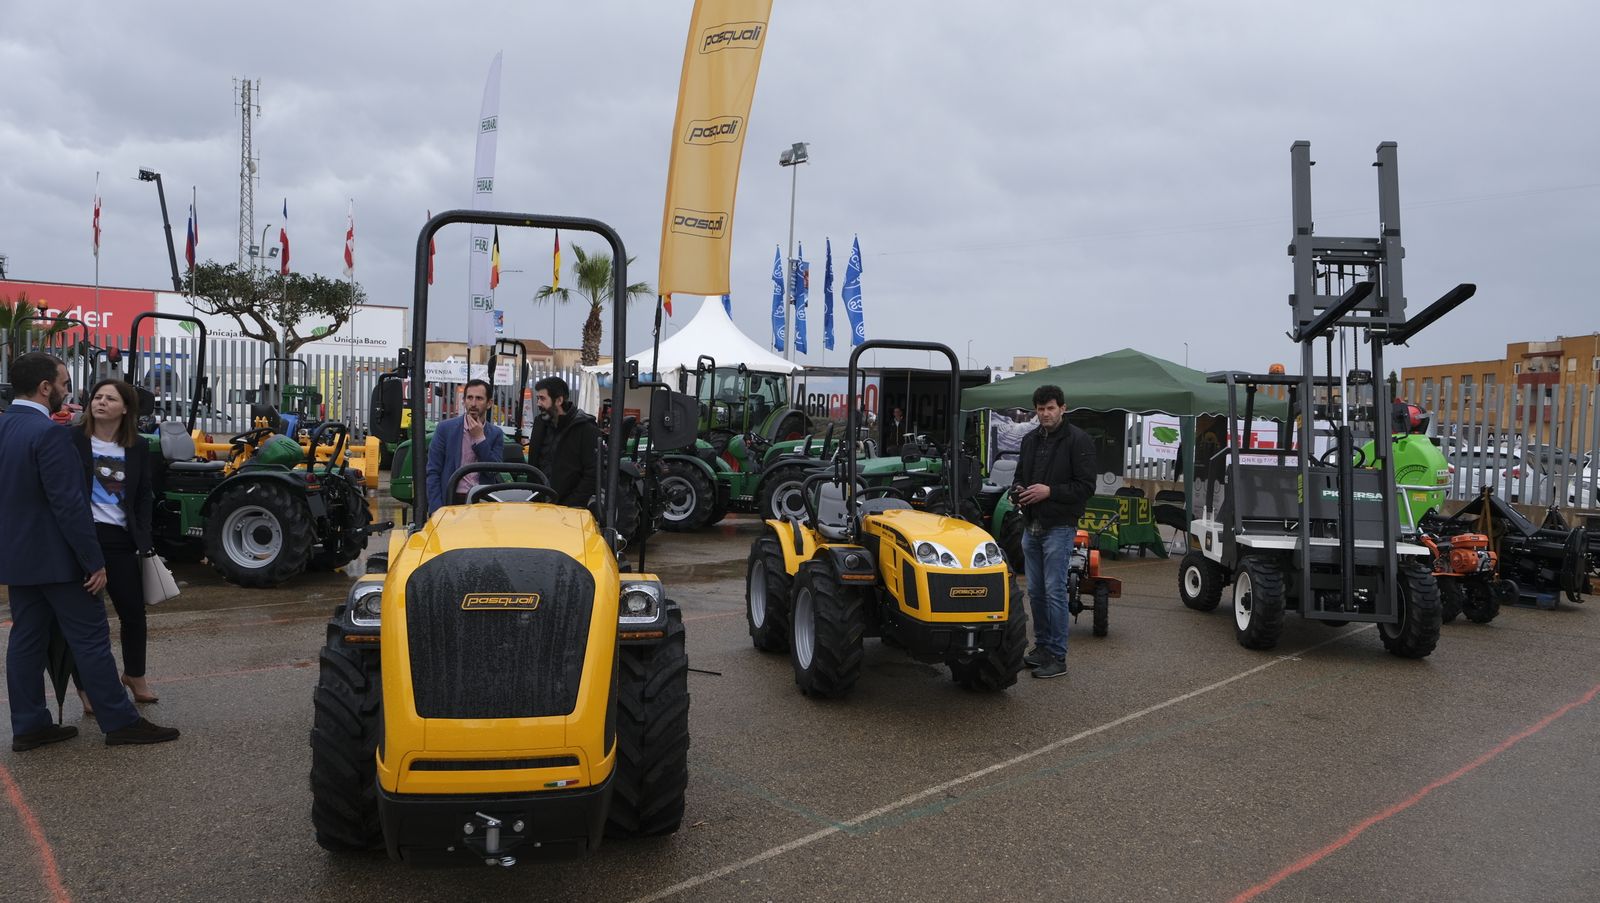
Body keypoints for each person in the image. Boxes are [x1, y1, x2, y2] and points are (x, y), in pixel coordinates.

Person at [2, 352, 178, 749]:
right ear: (45, 388)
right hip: (60, 561)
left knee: (26, 640)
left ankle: (30, 725)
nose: (67, 392)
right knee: (91, 638)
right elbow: (68, 504)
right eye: (64, 384)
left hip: (19, 559)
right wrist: (93, 561)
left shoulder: (5, 426)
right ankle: (120, 722)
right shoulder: (49, 433)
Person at [71, 378, 158, 713]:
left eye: (110, 398)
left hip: (121, 540)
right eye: (97, 397)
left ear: (125, 408)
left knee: (134, 614)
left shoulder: (136, 446)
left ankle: (135, 675)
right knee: (86, 622)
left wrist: (145, 539)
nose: (101, 402)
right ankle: (86, 688)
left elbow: (143, 498)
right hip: (83, 539)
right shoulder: (73, 440)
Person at [1011, 384, 1097, 680]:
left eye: (1050, 408)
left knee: (1055, 591)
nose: (1045, 414)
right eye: (1040, 409)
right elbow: (1019, 476)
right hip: (1030, 525)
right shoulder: (1030, 440)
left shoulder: (1079, 441)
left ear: (1063, 408)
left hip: (1058, 526)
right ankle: (1042, 648)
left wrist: (1050, 491)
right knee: (1035, 591)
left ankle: (1058, 656)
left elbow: (1086, 487)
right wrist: (1018, 490)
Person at [425, 378, 505, 511]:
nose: (473, 403)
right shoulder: (445, 429)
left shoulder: (496, 434)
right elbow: (433, 471)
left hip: (482, 502)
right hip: (452, 499)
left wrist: (480, 439)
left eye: (479, 398)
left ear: (489, 403)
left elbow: (493, 470)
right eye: (469, 398)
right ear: (463, 401)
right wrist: (436, 509)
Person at [527, 375, 600, 508]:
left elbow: (592, 473)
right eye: (538, 398)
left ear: (559, 400)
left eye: (542, 398)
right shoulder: (540, 423)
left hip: (571, 509)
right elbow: (534, 463)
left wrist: (571, 504)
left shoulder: (585, 428)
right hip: (538, 505)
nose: (538, 403)